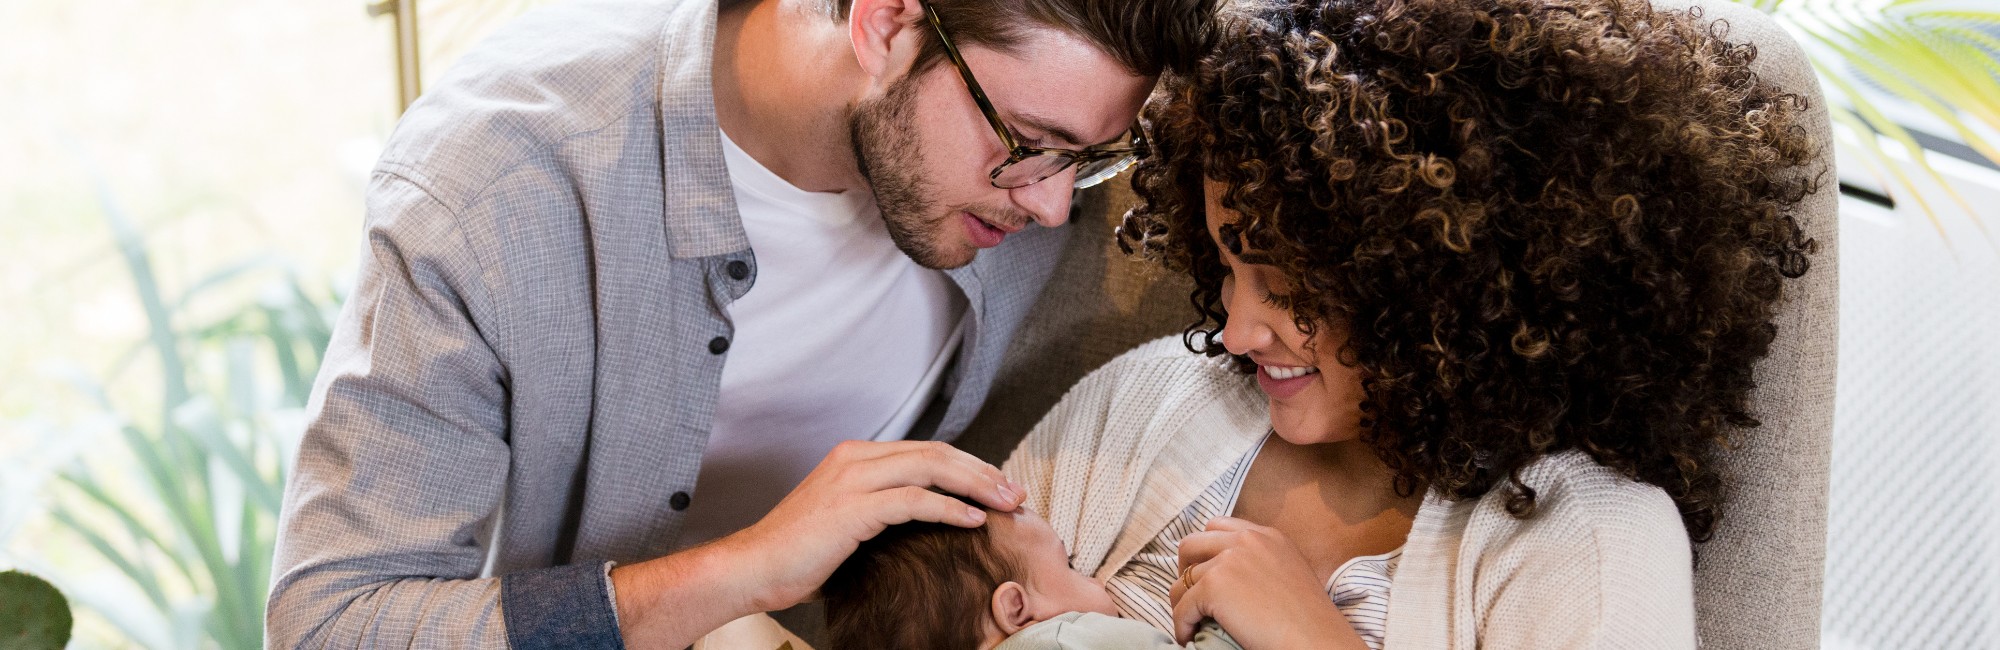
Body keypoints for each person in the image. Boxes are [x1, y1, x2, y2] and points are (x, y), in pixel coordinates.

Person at [263, 0, 1216, 645]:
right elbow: (332, 623)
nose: (1054, 208)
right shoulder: (501, 188)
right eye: (1027, 148)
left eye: (1088, 161)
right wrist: (749, 569)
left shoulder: (1056, 160)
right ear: (886, 23)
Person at [1003, 0, 1823, 647]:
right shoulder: (1150, 402)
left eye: (1293, 290)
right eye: (1228, 266)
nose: (1238, 330)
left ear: (1447, 285)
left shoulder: (1587, 544)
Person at [821, 500, 1243, 650]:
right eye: (1070, 565)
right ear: (1017, 609)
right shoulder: (1060, 641)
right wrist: (1224, 614)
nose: (1098, 580)